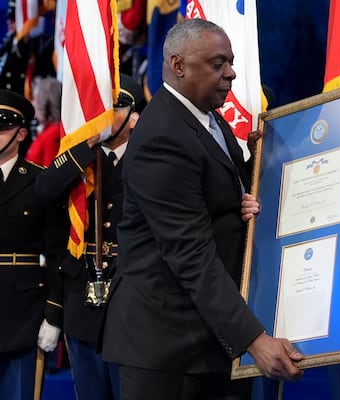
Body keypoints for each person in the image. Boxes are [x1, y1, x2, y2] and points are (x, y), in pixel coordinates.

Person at [101, 18, 303, 400]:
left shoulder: (206, 119)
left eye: (229, 62)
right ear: (178, 65)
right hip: (168, 347)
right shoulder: (163, 134)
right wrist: (254, 338)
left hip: (208, 338)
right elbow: (190, 253)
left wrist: (260, 164)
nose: (231, 73)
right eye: (217, 63)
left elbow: (221, 194)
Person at [34, 74, 146, 400]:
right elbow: (44, 190)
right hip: (83, 300)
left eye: (114, 108)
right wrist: (86, 147)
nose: (103, 117)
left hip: (132, 295)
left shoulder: (147, 157)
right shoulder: (82, 160)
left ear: (133, 116)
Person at [0, 89, 67, 400]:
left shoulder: (39, 182)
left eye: (4, 127)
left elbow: (57, 254)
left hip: (24, 313)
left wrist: (54, 314)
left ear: (22, 133)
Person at [25, 77, 62, 167]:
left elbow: (50, 173)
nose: (32, 103)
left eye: (35, 99)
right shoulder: (49, 129)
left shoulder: (53, 134)